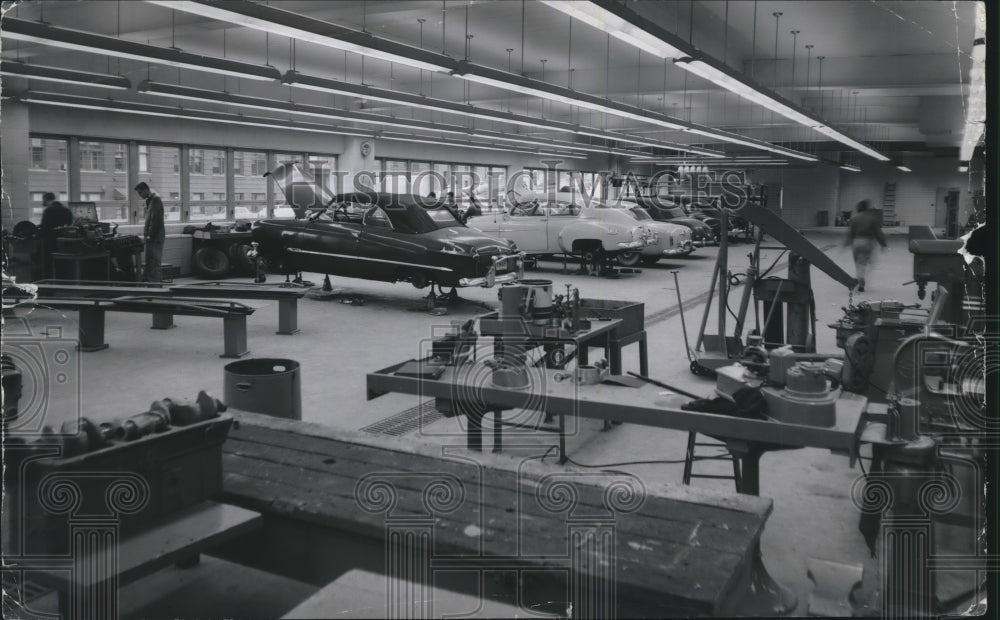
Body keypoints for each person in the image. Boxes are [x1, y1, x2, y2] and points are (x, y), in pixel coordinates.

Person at [845, 199, 887, 292]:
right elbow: (878, 232)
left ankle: (859, 276)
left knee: (858, 263)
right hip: (868, 242)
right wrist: (883, 244)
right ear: (867, 208)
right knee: (865, 262)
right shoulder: (872, 219)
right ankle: (861, 279)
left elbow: (850, 233)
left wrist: (846, 244)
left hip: (857, 242)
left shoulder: (854, 219)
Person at [37, 192, 74, 276]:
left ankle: (48, 279)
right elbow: (70, 223)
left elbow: (44, 227)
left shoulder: (48, 210)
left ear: (45, 199)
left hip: (51, 243)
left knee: (47, 261)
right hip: (65, 244)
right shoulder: (66, 209)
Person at [135, 182, 165, 282]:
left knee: (155, 262)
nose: (139, 195)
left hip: (155, 237)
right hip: (152, 237)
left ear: (146, 190)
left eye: (140, 192)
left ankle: (156, 285)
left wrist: (149, 236)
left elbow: (156, 220)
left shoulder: (156, 200)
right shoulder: (150, 200)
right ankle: (153, 283)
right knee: (151, 261)